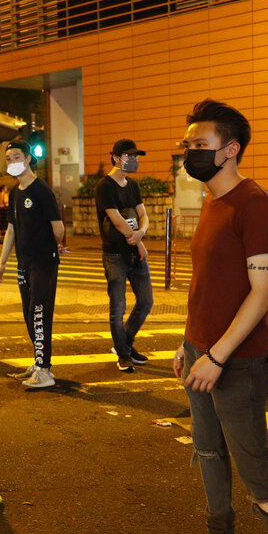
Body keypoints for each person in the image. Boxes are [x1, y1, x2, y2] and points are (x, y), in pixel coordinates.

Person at [165, 100, 268, 534]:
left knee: (258, 473)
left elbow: (263, 291)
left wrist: (217, 354)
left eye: (200, 146)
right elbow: (205, 283)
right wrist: (190, 342)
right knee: (207, 452)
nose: (190, 153)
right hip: (202, 351)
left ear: (230, 150)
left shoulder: (254, 204)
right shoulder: (210, 200)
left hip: (237, 362)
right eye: (188, 145)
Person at [0, 141, 65, 389]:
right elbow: (11, 230)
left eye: (16, 157)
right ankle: (38, 362)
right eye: (9, 158)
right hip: (23, 263)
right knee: (28, 314)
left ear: (28, 159)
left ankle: (45, 371)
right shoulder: (15, 192)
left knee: (39, 314)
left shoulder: (41, 190)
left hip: (42, 262)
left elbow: (58, 227)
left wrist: (56, 245)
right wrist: (2, 263)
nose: (12, 162)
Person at [95, 139, 154, 372]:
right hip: (115, 255)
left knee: (146, 302)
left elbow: (143, 215)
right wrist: (137, 240)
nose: (134, 161)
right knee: (118, 307)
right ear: (116, 158)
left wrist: (141, 234)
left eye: (136, 157)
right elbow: (116, 219)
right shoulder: (104, 186)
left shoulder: (133, 186)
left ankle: (125, 344)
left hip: (135, 254)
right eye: (130, 157)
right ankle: (123, 354)